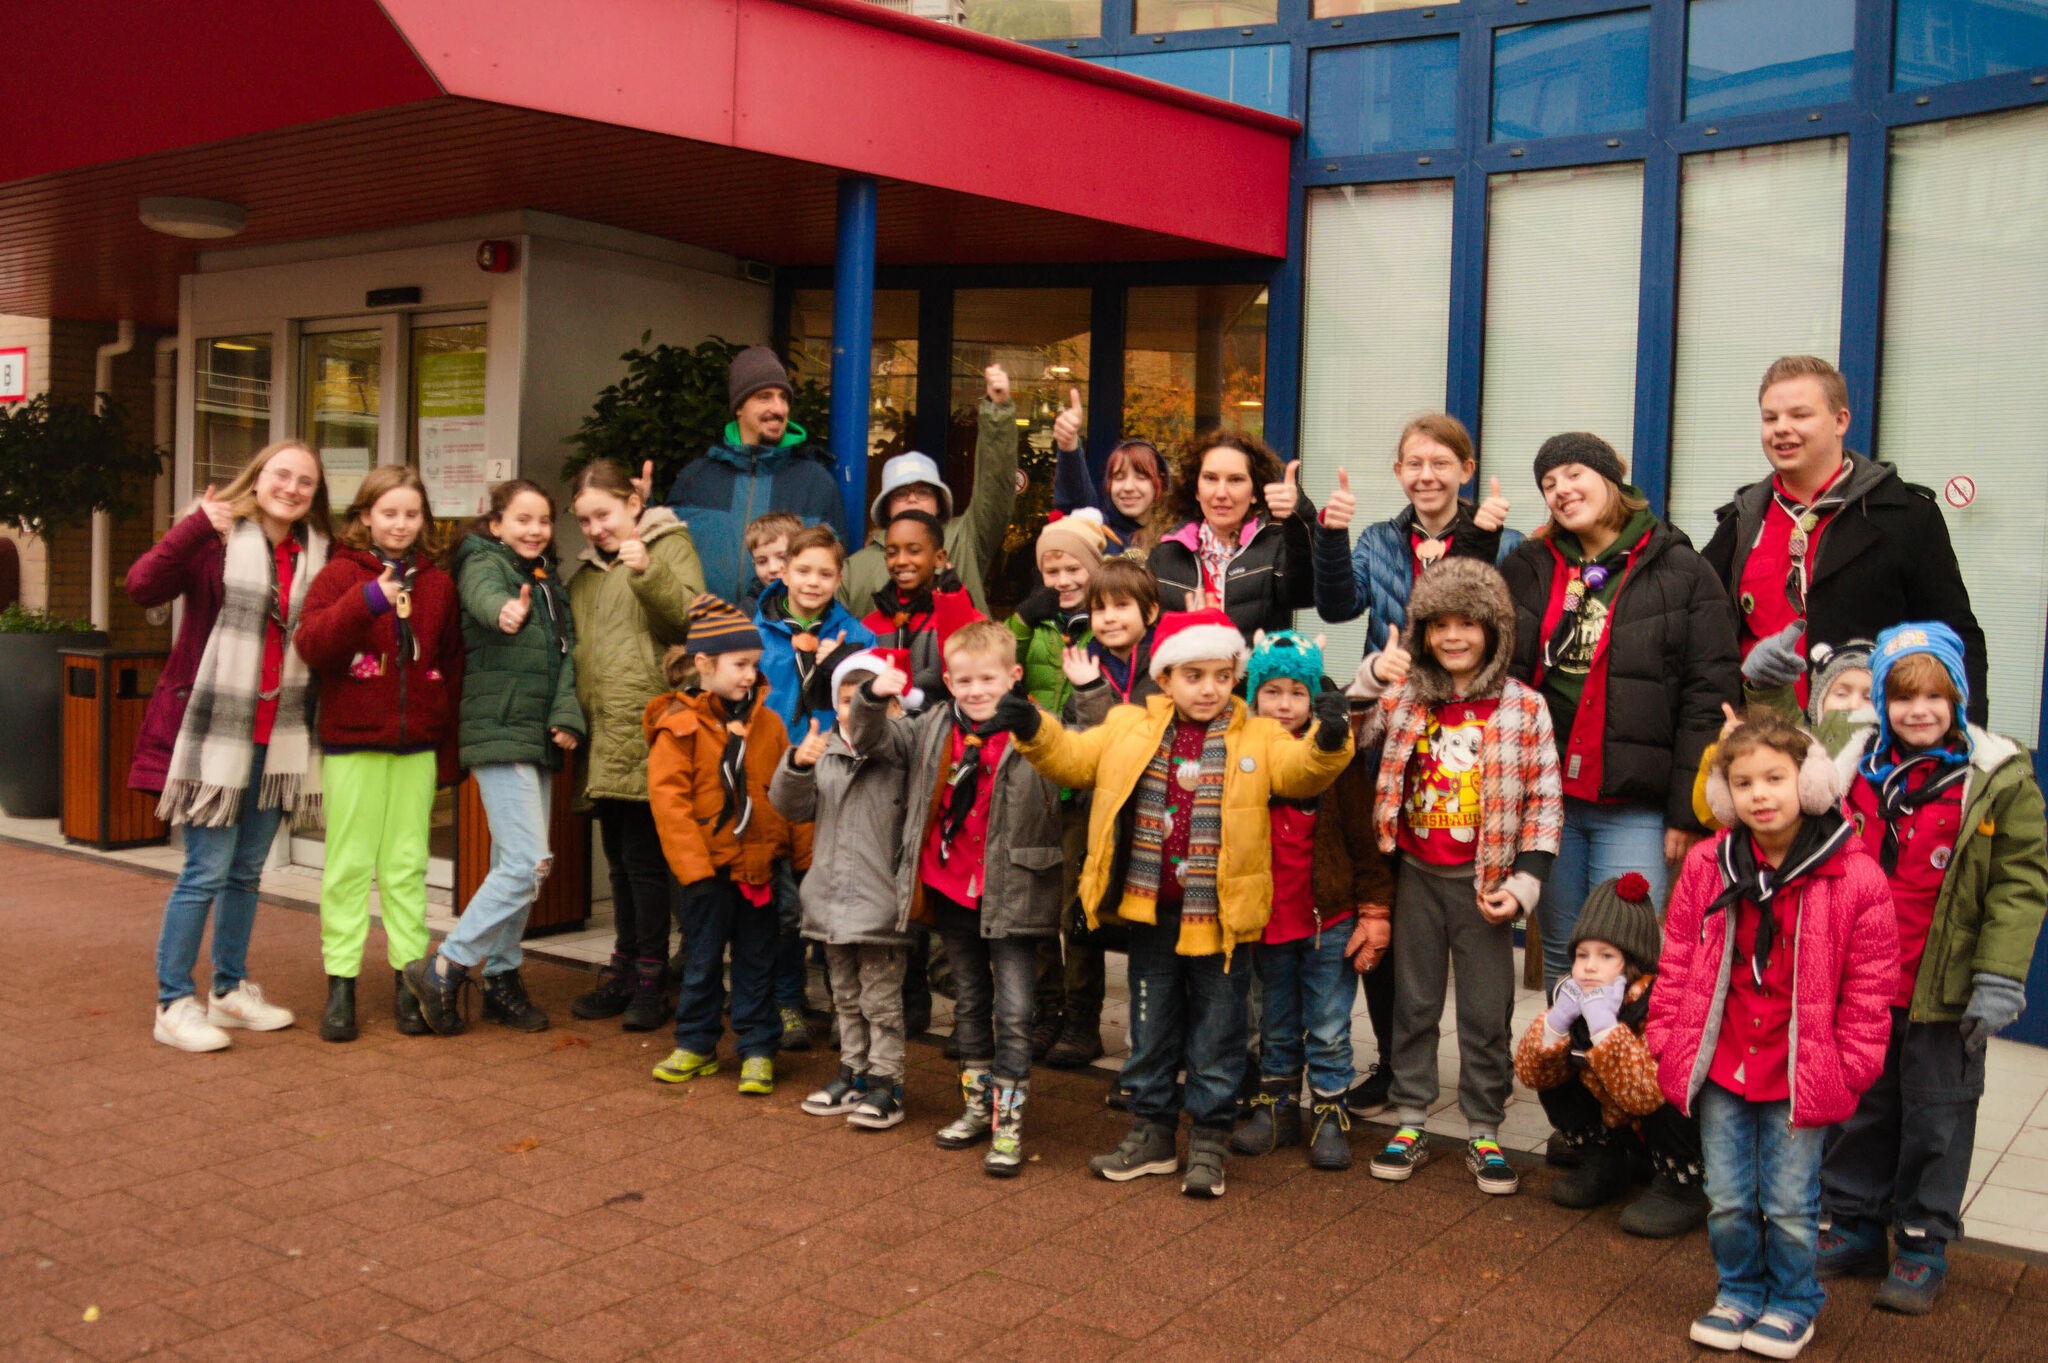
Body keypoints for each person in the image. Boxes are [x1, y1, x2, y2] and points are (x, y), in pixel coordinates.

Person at [1001, 607, 1355, 1198]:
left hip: (1222, 920)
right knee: (1151, 1029)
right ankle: (1152, 1134)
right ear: (1164, 678)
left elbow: (1304, 773)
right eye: (1193, 675)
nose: (1209, 688)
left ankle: (1210, 1140)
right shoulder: (1128, 727)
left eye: (1221, 675)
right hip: (1151, 913)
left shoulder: (1259, 735)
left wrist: (1331, 737)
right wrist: (1034, 730)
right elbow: (1074, 760)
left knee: (1217, 1035)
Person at [1649, 708, 1895, 1359]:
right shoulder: (1709, 863)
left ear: (1809, 782)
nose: (1760, 793)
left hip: (1799, 1066)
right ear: (1727, 792)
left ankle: (1791, 1300)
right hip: (1725, 1060)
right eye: (1745, 781)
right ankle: (1738, 1289)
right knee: (1727, 1193)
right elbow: (1677, 955)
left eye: (1775, 778)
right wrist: (1664, 1038)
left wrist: (1850, 1065)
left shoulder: (1854, 875)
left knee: (1789, 1198)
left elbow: (1872, 984)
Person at [1819, 623, 2047, 1313]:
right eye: (1902, 697)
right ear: (1880, 705)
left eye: (1935, 696)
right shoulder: (1849, 764)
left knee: (1936, 1116)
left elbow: (2021, 882)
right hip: (1860, 984)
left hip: (1941, 990)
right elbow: (1777, 752)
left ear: (1959, 697)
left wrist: (2001, 977)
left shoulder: (1997, 778)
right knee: (1857, 1109)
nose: (1919, 710)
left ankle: (1921, 1240)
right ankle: (1854, 1223)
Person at [1349, 558, 1562, 1197]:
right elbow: (1350, 734)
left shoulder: (1525, 706)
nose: (1453, 637)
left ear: (1494, 631)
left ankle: (1483, 1127)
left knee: (1484, 1008)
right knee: (1413, 1001)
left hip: (1485, 882)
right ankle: (1411, 1115)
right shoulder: (1408, 693)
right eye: (1438, 624)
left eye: (1467, 623)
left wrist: (1524, 883)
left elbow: (1546, 801)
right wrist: (1369, 677)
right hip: (1414, 873)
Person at [1499, 431, 1740, 990]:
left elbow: (1709, 692)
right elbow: (1500, 668)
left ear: (1613, 478)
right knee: (1563, 950)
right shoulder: (1531, 564)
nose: (1561, 490)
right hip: (1547, 796)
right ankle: (1562, 1074)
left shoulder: (1682, 568)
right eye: (1549, 484)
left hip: (1635, 803)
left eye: (1574, 475)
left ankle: (1617, 1074)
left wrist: (1687, 809)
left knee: (1624, 954)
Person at [127, 440, 330, 1051]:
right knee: (205, 870)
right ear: (258, 477)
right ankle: (172, 1003)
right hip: (214, 734)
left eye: (305, 482)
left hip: (280, 736)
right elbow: (142, 586)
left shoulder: (318, 553)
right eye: (281, 475)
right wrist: (192, 527)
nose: (291, 488)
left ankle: (229, 989)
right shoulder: (215, 540)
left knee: (245, 872)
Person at [844, 621, 1064, 1177]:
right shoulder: (931, 726)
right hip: (950, 887)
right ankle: (976, 1111)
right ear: (947, 680)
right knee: (970, 1002)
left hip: (1012, 891)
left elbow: (1085, 753)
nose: (976, 690)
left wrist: (1083, 695)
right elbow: (870, 739)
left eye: (988, 678)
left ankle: (1008, 1128)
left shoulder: (1036, 727)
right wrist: (872, 696)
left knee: (1014, 1011)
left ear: (1013, 676)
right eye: (963, 679)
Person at [1702, 355, 1987, 725]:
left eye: (1799, 415)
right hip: (1764, 752)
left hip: (1872, 747)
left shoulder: (1905, 517)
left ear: (1840, 421)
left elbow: (1954, 636)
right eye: (1770, 418)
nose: (1781, 429)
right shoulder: (1739, 524)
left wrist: (1966, 737)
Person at [405, 480, 584, 1037]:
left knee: (522, 866)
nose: (534, 530)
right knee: (528, 861)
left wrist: (567, 716)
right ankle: (446, 965)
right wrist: (504, 613)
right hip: (498, 729)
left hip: (536, 735)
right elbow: (485, 601)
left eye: (543, 521)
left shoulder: (548, 582)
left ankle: (502, 979)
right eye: (522, 519)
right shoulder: (483, 563)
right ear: (496, 523)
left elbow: (565, 660)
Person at [294, 465, 462, 1043]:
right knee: (347, 866)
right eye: (388, 513)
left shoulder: (438, 583)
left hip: (416, 745)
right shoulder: (339, 574)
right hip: (354, 742)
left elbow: (452, 665)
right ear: (365, 516)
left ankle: (408, 981)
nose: (400, 524)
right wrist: (367, 599)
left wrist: (447, 747)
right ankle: (340, 982)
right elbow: (311, 643)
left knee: (406, 866)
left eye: (411, 514)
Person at [1228, 630, 1393, 1173]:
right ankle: (1277, 1109)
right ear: (1253, 696)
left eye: (1296, 693)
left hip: (1329, 920)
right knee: (1275, 1021)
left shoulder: (1333, 757)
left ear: (1314, 697)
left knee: (1328, 1024)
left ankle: (1329, 1112)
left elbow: (1361, 842)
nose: (1283, 704)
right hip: (1269, 920)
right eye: (1271, 691)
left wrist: (1374, 911)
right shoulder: (1242, 755)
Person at [564, 460, 703, 1030]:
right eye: (584, 519)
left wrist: (647, 570)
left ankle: (651, 976)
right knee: (619, 863)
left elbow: (692, 623)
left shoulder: (668, 548)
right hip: (604, 735)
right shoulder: (585, 576)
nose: (595, 528)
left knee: (646, 865)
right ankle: (623, 968)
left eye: (604, 514)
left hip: (650, 731)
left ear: (634, 504)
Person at [647, 596, 797, 1097]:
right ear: (705, 665)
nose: (750, 675)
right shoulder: (679, 726)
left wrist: (802, 857)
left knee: (758, 961)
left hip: (758, 868)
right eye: (739, 665)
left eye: (754, 665)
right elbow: (670, 804)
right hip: (706, 873)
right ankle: (696, 1042)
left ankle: (757, 1049)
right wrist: (693, 870)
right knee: (702, 959)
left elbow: (786, 794)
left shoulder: (771, 725)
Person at [772, 649, 918, 1129]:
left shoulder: (897, 749)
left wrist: (875, 700)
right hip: (831, 900)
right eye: (846, 700)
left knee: (881, 1001)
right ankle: (852, 1073)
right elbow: (792, 809)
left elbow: (873, 729)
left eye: (867, 701)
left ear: (892, 706)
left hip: (879, 903)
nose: (854, 711)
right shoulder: (826, 751)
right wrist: (796, 764)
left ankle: (886, 1084)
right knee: (846, 998)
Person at [1513, 873, 1707, 1234]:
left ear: (1633, 962)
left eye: (1606, 956)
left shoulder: (1660, 1002)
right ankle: (1603, 1163)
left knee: (1671, 1091)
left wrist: (1605, 1030)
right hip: (1621, 1122)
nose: (1589, 966)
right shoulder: (1575, 996)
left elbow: (1647, 1094)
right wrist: (1555, 1025)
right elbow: (1530, 1075)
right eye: (1582, 954)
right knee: (1553, 1071)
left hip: (1663, 1126)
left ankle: (1681, 1187)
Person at [1036, 556, 1164, 1073]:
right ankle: (1081, 1020)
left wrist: (1095, 697)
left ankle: (1148, 1039)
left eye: (1121, 606)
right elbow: (1087, 747)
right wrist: (1086, 693)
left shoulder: (1164, 668)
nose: (1109, 618)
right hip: (1090, 813)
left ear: (1149, 612)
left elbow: (1137, 738)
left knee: (1141, 923)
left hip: (1150, 814)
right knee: (1081, 914)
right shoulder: (1083, 664)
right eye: (1099, 608)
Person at [663, 345, 843, 601]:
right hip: (705, 634)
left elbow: (836, 570)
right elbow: (667, 559)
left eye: (783, 398)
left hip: (785, 638)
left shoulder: (816, 482)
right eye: (764, 397)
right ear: (739, 406)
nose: (778, 408)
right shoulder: (695, 478)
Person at [839, 364, 1019, 614]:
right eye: (901, 493)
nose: (912, 498)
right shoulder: (854, 570)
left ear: (938, 503)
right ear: (887, 506)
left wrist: (997, 413)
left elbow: (995, 486)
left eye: (923, 491)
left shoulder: (966, 537)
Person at [1149, 430, 1357, 640]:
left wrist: (1298, 516)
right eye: (1210, 478)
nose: (1221, 493)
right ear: (1196, 489)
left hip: (1257, 673)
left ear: (1255, 493)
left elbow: (1304, 595)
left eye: (1235, 480)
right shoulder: (1166, 552)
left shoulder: (1273, 546)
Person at [1339, 413, 1520, 635]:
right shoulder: (1378, 540)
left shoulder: (1508, 545)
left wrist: (1481, 539)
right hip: (1390, 670)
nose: (1426, 476)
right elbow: (1338, 608)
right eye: (1414, 464)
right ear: (1399, 471)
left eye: (1440, 464)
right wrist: (1331, 534)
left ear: (1466, 470)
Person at [859, 509, 985, 709]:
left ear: (939, 558)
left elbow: (975, 679)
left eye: (914, 550)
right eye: (892, 553)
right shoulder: (870, 625)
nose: (901, 561)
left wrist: (953, 607)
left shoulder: (969, 619)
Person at [1008, 508, 1110, 723]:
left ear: (1094, 571)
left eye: (1073, 570)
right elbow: (999, 661)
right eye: (1052, 572)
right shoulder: (1030, 625)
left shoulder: (1108, 624)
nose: (1063, 581)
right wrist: (1023, 621)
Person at [1049, 386, 1169, 554]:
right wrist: (1069, 447)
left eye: (1141, 477)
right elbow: (1075, 503)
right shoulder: (1098, 533)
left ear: (1160, 483)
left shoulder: (1175, 541)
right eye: (1119, 477)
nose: (1128, 487)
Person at [738, 510, 802, 617]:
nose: (772, 568)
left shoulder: (817, 601)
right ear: (754, 565)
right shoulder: (748, 610)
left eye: (782, 557)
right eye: (762, 562)